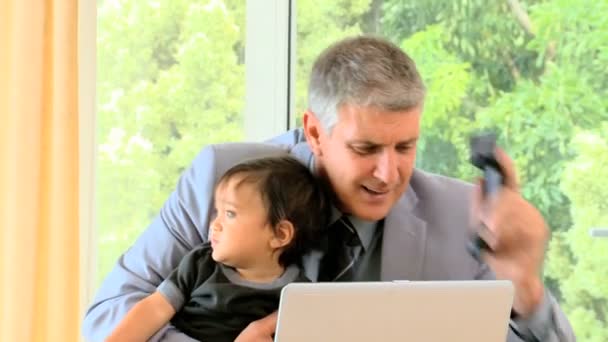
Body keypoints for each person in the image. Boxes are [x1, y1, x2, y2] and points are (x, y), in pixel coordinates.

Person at [84, 36, 576, 341]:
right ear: (315, 132)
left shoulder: (461, 214)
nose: (388, 174)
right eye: (366, 149)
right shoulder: (223, 180)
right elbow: (106, 317)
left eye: (405, 147)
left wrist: (526, 286)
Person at [105, 156, 329, 342]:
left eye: (230, 213)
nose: (215, 224)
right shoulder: (200, 263)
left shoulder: (297, 294)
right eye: (216, 212)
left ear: (279, 234)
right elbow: (155, 309)